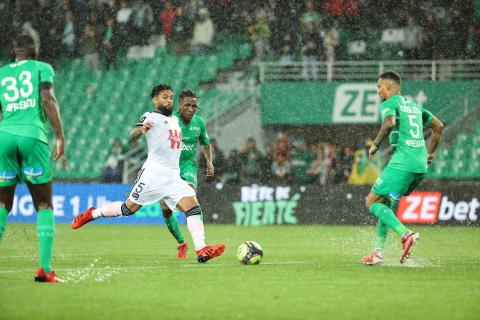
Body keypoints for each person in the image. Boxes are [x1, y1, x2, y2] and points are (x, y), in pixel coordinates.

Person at [71, 84, 224, 263]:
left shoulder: (174, 121)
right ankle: (92, 214)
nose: (168, 100)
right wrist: (142, 128)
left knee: (193, 207)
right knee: (127, 209)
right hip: (153, 174)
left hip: (173, 176)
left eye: (170, 97)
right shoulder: (150, 116)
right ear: (155, 100)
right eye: (164, 97)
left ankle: (201, 250)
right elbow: (133, 133)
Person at [0, 34, 66, 282]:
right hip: (32, 135)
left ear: (14, 50)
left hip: (4, 135)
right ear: (35, 50)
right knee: (44, 204)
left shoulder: (2, 73)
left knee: (3, 203)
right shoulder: (42, 68)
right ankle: (45, 269)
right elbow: (47, 99)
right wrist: (60, 135)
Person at [361, 71, 444, 265]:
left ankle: (406, 234)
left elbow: (389, 123)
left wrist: (375, 145)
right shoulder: (415, 106)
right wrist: (430, 152)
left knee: (372, 202)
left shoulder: (390, 103)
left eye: (379, 86)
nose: (378, 91)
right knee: (385, 204)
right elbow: (439, 126)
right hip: (419, 166)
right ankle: (378, 253)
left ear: (388, 86)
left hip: (402, 163)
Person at [161, 90, 214, 259]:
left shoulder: (199, 122)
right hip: (169, 167)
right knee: (165, 210)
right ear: (179, 105)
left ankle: (202, 247)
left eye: (194, 106)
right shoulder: (170, 120)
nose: (191, 109)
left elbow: (206, 143)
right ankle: (182, 243)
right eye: (187, 105)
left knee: (191, 198)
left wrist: (209, 161)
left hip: (187, 166)